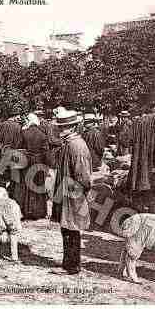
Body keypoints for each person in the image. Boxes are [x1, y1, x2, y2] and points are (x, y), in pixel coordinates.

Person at [51, 109, 92, 275]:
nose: (61, 130)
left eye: (64, 128)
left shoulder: (76, 145)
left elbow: (83, 175)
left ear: (73, 128)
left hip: (74, 193)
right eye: (60, 128)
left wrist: (83, 192)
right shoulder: (68, 144)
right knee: (67, 229)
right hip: (66, 192)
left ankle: (72, 266)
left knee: (72, 229)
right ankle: (68, 264)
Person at [11, 113, 51, 220]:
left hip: (26, 162)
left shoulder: (24, 133)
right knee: (38, 186)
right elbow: (46, 152)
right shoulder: (43, 134)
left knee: (25, 186)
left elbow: (18, 148)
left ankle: (26, 210)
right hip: (39, 162)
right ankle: (39, 212)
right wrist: (47, 165)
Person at [0, 112, 23, 190]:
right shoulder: (18, 127)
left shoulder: (0, 126)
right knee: (13, 179)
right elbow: (20, 143)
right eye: (18, 117)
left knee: (1, 180)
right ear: (14, 116)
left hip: (0, 155)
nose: (19, 119)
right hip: (13, 156)